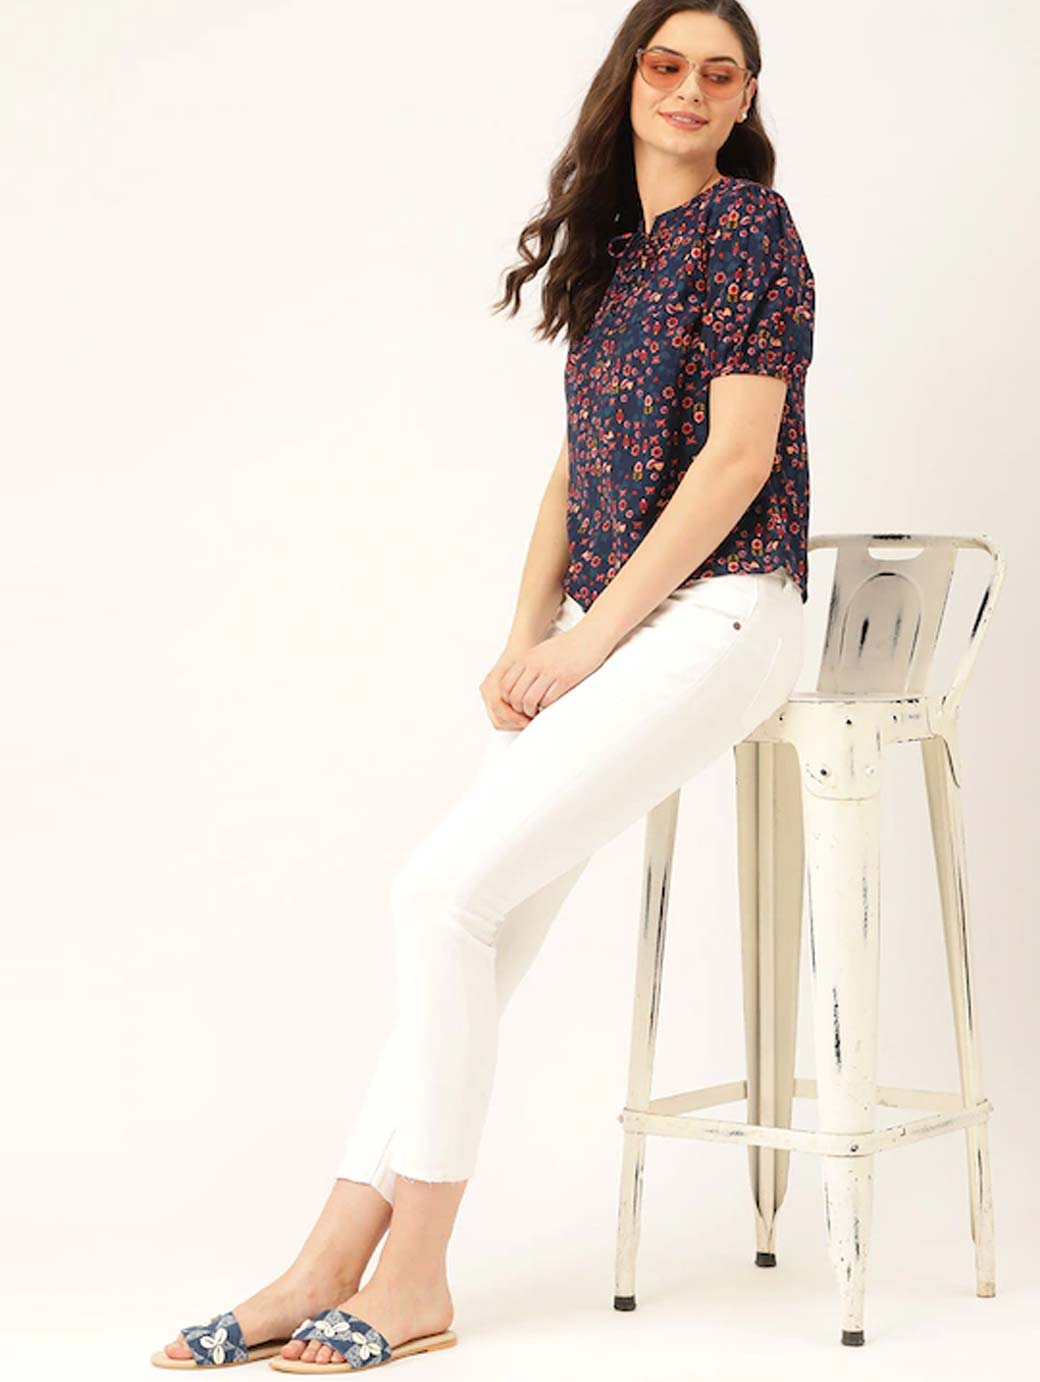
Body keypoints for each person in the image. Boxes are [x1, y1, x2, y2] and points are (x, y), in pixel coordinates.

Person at [154, 0, 815, 1370]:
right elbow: (578, 469)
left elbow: (738, 460)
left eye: (721, 73)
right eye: (667, 64)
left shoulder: (751, 227)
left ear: (745, 99)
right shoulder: (617, 254)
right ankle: (324, 1262)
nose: (690, 90)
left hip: (726, 614)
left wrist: (587, 644)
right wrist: (526, 637)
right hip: (615, 625)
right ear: (628, 80)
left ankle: (414, 1275)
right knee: (475, 923)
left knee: (438, 893)